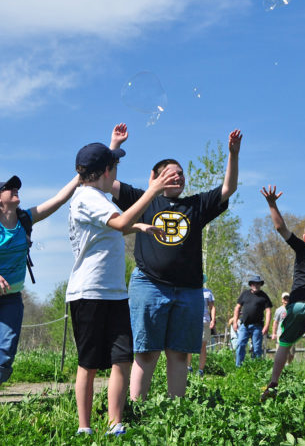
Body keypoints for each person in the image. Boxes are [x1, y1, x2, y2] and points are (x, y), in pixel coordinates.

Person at [111, 125, 242, 399]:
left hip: (189, 290)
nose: (178, 178)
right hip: (149, 285)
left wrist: (233, 153)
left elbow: (228, 188)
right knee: (146, 352)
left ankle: (175, 413)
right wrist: (114, 148)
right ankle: (137, 407)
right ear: (154, 178)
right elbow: (105, 181)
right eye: (171, 174)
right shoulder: (142, 200)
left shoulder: (196, 205)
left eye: (181, 174)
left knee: (180, 354)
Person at [67, 136, 179, 436]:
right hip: (88, 292)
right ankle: (84, 427)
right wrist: (153, 191)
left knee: (121, 359)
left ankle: (115, 423)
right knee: (89, 363)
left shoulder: (99, 198)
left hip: (115, 293)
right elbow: (117, 223)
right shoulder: (87, 196)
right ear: (106, 171)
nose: (116, 173)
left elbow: (114, 225)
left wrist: (136, 226)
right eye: (114, 166)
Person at [0, 173, 80, 386]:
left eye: (16, 187)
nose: (15, 189)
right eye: (9, 188)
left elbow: (58, 200)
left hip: (11, 298)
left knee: (5, 353)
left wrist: (80, 176)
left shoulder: (25, 219)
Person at [259, 185, 305, 399]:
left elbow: (280, 227)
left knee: (285, 342)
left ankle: (273, 384)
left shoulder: (303, 249)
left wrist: (272, 203)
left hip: (298, 304)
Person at [233, 275, 272, 366]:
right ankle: (238, 366)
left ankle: (256, 368)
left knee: (257, 348)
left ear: (260, 285)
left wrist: (266, 326)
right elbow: (237, 308)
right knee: (240, 345)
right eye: (254, 283)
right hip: (244, 325)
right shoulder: (245, 294)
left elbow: (268, 311)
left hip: (257, 326)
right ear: (251, 284)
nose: (256, 285)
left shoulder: (264, 296)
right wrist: (235, 322)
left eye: (258, 283)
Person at [187, 279, 215, 376]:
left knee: (203, 346)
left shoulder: (208, 292)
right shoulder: (189, 291)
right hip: (191, 321)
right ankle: (188, 367)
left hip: (204, 321)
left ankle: (200, 370)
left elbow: (212, 307)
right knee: (189, 345)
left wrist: (213, 320)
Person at [271, 292, 295, 363]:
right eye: (285, 298)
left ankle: (288, 365)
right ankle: (283, 366)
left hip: (290, 333)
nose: (286, 300)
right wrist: (274, 333)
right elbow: (275, 322)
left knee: (291, 352)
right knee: (280, 351)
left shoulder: (293, 309)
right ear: (282, 300)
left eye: (287, 298)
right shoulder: (279, 310)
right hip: (280, 333)